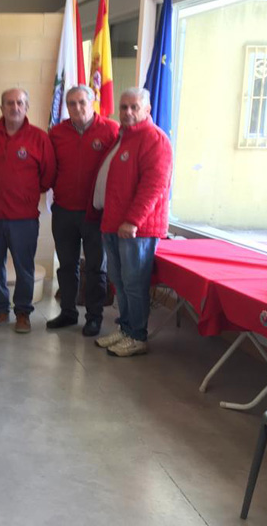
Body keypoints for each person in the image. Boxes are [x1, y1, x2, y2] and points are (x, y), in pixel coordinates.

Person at [92, 87, 173, 357]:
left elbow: (154, 186)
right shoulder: (123, 138)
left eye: (134, 107)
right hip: (114, 225)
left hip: (135, 229)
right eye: (123, 107)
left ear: (147, 110)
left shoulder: (155, 140)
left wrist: (133, 220)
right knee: (120, 282)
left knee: (135, 285)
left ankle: (137, 336)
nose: (127, 112)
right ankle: (125, 329)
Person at [0, 88, 56, 334]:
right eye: (9, 103)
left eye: (20, 102)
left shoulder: (39, 138)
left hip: (23, 218)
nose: (15, 107)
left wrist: (25, 194)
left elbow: (48, 176)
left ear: (26, 107)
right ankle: (0, 310)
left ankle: (23, 313)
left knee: (24, 268)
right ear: (1, 107)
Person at [47, 85, 119, 337]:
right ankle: (68, 312)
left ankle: (94, 317)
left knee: (96, 267)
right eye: (71, 103)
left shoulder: (111, 130)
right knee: (66, 265)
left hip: (95, 213)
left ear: (93, 102)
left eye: (81, 102)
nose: (77, 108)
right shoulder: (56, 133)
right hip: (64, 210)